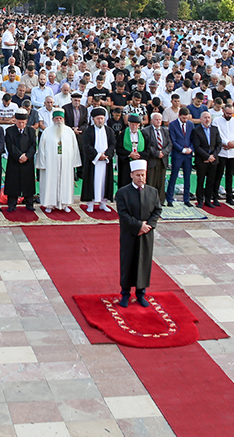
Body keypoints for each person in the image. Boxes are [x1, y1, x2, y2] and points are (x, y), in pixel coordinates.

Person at [114, 159, 161, 309]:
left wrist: (148, 226)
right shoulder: (123, 193)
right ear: (131, 175)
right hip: (130, 234)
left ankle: (141, 293)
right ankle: (125, 293)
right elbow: (123, 214)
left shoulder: (152, 192)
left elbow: (157, 210)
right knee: (128, 262)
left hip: (146, 234)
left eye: (143, 175)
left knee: (144, 262)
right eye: (138, 175)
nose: (141, 178)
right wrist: (138, 225)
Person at [37, 109, 79, 213]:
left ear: (64, 119)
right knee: (50, 183)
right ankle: (49, 204)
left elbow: (75, 148)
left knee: (66, 182)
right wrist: (42, 163)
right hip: (50, 163)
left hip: (66, 163)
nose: (59, 120)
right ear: (53, 119)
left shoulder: (69, 132)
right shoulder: (47, 132)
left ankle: (65, 204)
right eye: (56, 118)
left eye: (60, 118)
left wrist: (74, 162)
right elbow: (41, 149)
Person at [79, 107, 115, 213]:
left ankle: (103, 203)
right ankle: (91, 204)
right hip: (93, 162)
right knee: (92, 182)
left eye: (102, 118)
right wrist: (98, 156)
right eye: (98, 118)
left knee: (105, 182)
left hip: (106, 162)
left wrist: (107, 155)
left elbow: (113, 144)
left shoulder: (109, 131)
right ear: (93, 119)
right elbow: (86, 146)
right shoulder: (88, 131)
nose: (100, 121)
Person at [3, 111, 37, 212]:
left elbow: (33, 146)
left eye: (23, 122)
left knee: (28, 183)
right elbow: (10, 146)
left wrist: (26, 156)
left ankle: (29, 204)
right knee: (13, 183)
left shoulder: (31, 131)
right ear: (15, 121)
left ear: (26, 121)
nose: (21, 124)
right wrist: (19, 156)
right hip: (14, 161)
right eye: (19, 122)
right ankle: (12, 205)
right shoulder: (10, 131)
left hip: (27, 161)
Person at [166, 108, 194, 207]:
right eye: (183, 118)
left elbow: (192, 138)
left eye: (186, 118)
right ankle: (169, 199)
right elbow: (173, 140)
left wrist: (190, 149)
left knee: (187, 177)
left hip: (188, 155)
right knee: (173, 176)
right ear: (179, 116)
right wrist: (182, 149)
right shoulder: (173, 125)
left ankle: (186, 199)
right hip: (178, 154)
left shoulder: (190, 124)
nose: (185, 120)